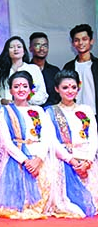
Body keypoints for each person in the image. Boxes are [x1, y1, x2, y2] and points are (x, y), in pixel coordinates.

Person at [0, 71, 78, 218]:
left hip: (39, 159)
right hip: (16, 160)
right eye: (17, 86)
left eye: (25, 86)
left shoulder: (39, 111)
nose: (21, 89)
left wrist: (38, 159)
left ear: (31, 89)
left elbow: (47, 137)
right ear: (11, 90)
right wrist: (26, 161)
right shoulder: (4, 111)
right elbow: (6, 142)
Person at [45, 69, 98, 218]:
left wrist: (88, 161)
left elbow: (94, 137)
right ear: (57, 89)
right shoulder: (50, 112)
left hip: (89, 163)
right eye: (65, 87)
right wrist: (72, 161)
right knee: (71, 207)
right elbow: (52, 142)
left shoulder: (86, 110)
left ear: (78, 87)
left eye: (73, 87)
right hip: (64, 162)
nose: (70, 91)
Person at [0, 36, 48, 106]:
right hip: (7, 110)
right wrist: (2, 101)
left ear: (24, 51)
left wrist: (25, 98)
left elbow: (42, 94)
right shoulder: (1, 71)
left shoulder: (34, 69)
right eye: (12, 47)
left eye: (19, 47)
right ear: (7, 51)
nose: (15, 49)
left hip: (29, 110)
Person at [63, 24, 97, 118]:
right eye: (77, 40)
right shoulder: (69, 67)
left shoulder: (96, 65)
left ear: (91, 41)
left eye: (84, 39)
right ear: (73, 44)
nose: (81, 43)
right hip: (74, 115)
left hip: (95, 114)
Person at [28, 32, 60, 107]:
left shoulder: (55, 71)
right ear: (30, 48)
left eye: (45, 45)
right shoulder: (25, 69)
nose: (42, 48)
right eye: (37, 45)